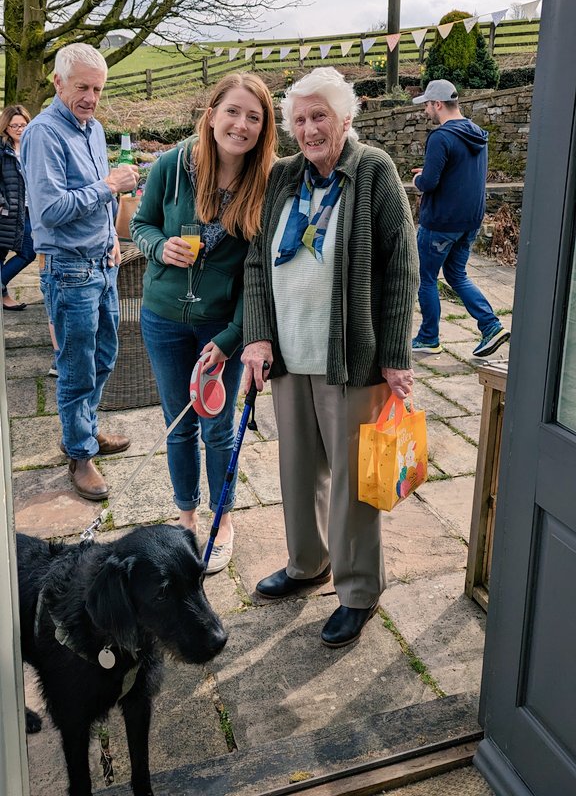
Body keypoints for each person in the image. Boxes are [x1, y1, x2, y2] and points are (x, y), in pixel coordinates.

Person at [241, 66, 419, 648]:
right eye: (300, 118)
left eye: (321, 116)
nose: (310, 128)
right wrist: (259, 336)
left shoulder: (373, 172)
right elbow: (256, 264)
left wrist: (395, 354)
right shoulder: (285, 177)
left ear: (346, 118)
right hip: (291, 352)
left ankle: (359, 590)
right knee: (298, 470)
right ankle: (306, 564)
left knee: (352, 481)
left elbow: (401, 265)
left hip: (353, 357)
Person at [130, 72, 277, 574]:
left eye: (253, 117)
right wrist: (157, 246)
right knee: (178, 425)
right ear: (212, 113)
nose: (240, 124)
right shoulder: (172, 167)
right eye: (232, 111)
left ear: (264, 127)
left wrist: (232, 338)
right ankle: (186, 519)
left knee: (217, 428)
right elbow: (140, 224)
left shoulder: (265, 181)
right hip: (164, 318)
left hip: (221, 328)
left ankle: (223, 519)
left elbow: (259, 275)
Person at [21, 43, 140, 501]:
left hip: (101, 262)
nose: (91, 97)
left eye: (97, 89)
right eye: (82, 88)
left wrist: (111, 234)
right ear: (58, 82)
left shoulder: (93, 130)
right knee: (76, 369)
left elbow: (98, 204)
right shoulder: (43, 134)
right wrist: (110, 183)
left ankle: (84, 431)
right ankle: (79, 454)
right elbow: (50, 210)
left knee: (106, 356)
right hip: (68, 271)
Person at [410, 79, 511, 358]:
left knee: (426, 278)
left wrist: (419, 178)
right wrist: (430, 170)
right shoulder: (478, 134)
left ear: (438, 104)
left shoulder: (441, 137)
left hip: (441, 223)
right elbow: (459, 173)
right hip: (469, 222)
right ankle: (491, 325)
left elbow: (429, 183)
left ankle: (429, 338)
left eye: (428, 105)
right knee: (456, 274)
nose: (426, 110)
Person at [0, 105, 36, 311]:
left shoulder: (34, 147)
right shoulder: (2, 149)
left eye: (23, 124)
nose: (19, 129)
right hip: (8, 210)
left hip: (32, 210)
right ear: (6, 127)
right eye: (14, 125)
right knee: (1, 253)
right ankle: (3, 296)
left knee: (29, 251)